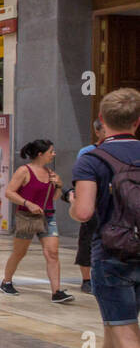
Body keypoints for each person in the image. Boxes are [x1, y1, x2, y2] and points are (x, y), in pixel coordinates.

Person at [70, 87, 140, 348]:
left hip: (112, 255)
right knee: (117, 327)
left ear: (101, 122)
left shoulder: (92, 158)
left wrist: (71, 201)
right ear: (137, 121)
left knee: (126, 333)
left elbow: (83, 212)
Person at [0, 138, 72, 303]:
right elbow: (9, 192)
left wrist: (59, 185)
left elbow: (54, 198)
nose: (54, 154)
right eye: (51, 152)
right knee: (20, 252)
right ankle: (6, 281)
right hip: (27, 217)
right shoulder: (24, 171)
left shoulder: (51, 174)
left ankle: (56, 292)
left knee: (52, 253)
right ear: (41, 154)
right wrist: (28, 204)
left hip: (48, 216)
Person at [71, 120, 106, 295]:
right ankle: (87, 279)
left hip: (114, 204)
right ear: (97, 131)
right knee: (87, 240)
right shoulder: (87, 153)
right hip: (93, 202)